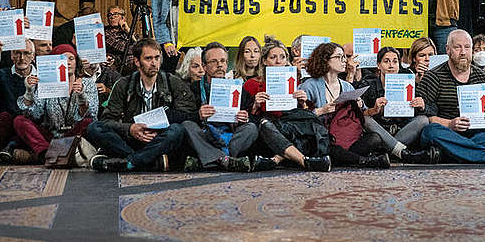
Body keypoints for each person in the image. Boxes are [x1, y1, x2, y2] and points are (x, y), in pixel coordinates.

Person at [86, 38, 194, 172]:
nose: (154, 63)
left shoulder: (172, 82)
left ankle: (129, 162)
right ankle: (149, 162)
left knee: (177, 130)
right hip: (132, 138)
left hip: (159, 139)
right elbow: (108, 119)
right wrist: (130, 129)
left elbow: (187, 113)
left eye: (157, 58)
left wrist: (159, 128)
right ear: (137, 62)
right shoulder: (123, 84)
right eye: (148, 59)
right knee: (94, 127)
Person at [417, 30, 485, 166]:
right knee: (429, 132)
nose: (462, 52)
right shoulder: (433, 77)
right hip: (448, 132)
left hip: (478, 133)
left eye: (467, 47)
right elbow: (425, 117)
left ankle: (449, 153)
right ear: (448, 50)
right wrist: (450, 124)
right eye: (457, 47)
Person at [244, 39, 332, 171]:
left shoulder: (295, 81)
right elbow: (245, 119)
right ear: (264, 61)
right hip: (267, 133)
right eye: (273, 57)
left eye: (283, 57)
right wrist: (255, 105)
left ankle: (276, 160)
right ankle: (304, 161)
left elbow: (305, 115)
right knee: (265, 124)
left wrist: (302, 103)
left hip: (290, 128)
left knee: (307, 126)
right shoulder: (251, 84)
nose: (279, 62)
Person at [300, 42, 390, 168]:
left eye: (344, 57)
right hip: (322, 136)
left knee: (374, 138)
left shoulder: (347, 86)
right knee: (326, 145)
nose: (344, 61)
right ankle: (364, 161)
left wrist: (368, 107)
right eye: (339, 57)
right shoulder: (309, 85)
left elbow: (363, 113)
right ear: (325, 60)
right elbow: (299, 118)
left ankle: (345, 158)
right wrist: (321, 110)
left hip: (346, 136)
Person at [181, 42, 265, 171]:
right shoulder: (194, 89)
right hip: (206, 136)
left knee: (251, 128)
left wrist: (245, 118)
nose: (219, 65)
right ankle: (226, 160)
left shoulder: (238, 89)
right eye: (214, 62)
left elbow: (254, 118)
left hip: (231, 138)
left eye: (223, 61)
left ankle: (211, 159)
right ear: (204, 66)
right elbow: (182, 115)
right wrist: (197, 115)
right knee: (187, 125)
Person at [14, 43, 97, 163]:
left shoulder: (88, 83)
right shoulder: (47, 84)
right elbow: (35, 114)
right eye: (63, 59)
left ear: (76, 62)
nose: (68, 62)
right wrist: (29, 92)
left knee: (89, 124)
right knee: (19, 120)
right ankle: (46, 153)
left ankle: (46, 156)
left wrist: (82, 97)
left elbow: (92, 115)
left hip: (75, 134)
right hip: (51, 135)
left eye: (71, 58)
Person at [359, 46, 438, 163]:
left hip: (402, 132)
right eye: (386, 61)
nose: (391, 65)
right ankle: (403, 153)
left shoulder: (409, 83)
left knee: (423, 120)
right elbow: (359, 113)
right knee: (365, 119)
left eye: (395, 61)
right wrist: (374, 110)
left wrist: (422, 105)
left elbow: (434, 109)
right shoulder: (368, 84)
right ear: (378, 65)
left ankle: (387, 151)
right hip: (380, 132)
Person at [0, 39, 36, 161]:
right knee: (5, 116)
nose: (21, 58)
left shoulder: (42, 76)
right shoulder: (3, 74)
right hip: (7, 121)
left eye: (26, 53)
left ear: (33, 56)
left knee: (24, 121)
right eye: (17, 53)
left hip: (30, 121)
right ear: (11, 55)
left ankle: (10, 148)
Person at [104, 5, 134, 71]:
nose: (112, 17)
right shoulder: (105, 33)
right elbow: (123, 48)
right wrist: (135, 43)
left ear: (123, 18)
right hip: (120, 68)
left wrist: (128, 31)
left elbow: (141, 46)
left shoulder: (127, 31)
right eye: (110, 15)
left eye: (116, 14)